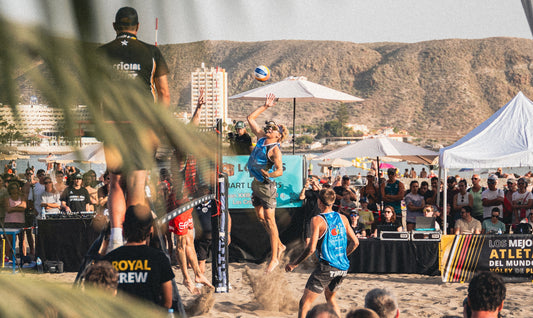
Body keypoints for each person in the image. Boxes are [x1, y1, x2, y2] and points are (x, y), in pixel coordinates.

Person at [99, 6, 170, 252]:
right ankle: (135, 239)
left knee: (116, 182)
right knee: (138, 181)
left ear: (114, 27)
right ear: (137, 27)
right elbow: (164, 94)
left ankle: (117, 237)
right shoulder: (151, 51)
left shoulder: (102, 53)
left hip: (113, 124)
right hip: (142, 124)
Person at [285, 188, 359, 318]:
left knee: (305, 302)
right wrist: (342, 255)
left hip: (327, 266)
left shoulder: (317, 220)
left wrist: (294, 264)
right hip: (343, 268)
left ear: (319, 201)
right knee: (330, 298)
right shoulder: (343, 218)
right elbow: (355, 243)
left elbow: (311, 248)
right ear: (333, 201)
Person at [246, 93, 289, 273]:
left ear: (279, 136)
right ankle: (279, 244)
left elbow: (280, 170)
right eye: (269, 127)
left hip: (266, 186)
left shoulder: (275, 150)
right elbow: (250, 118)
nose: (269, 129)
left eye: (273, 129)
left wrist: (270, 173)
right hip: (256, 184)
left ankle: (275, 258)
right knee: (261, 217)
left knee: (270, 221)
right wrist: (265, 106)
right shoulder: (262, 138)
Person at [104, 205, 174, 308]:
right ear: (151, 230)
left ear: (124, 228)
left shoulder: (109, 259)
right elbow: (167, 302)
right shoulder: (159, 258)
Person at [4, 182, 27, 260]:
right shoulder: (7, 198)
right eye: (12, 188)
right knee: (8, 240)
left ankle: (24, 256)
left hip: (20, 221)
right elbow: (8, 209)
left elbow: (24, 206)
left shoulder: (22, 197)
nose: (14, 190)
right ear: (9, 190)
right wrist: (18, 208)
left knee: (22, 239)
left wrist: (13, 207)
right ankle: (6, 257)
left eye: (16, 188)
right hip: (9, 221)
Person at [299, 176, 322, 246]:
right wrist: (305, 187)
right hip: (309, 217)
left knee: (319, 238)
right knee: (307, 239)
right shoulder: (308, 192)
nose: (313, 182)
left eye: (315, 180)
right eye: (312, 181)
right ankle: (308, 254)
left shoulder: (320, 191)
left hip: (319, 217)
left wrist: (317, 185)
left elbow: (324, 195)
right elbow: (301, 197)